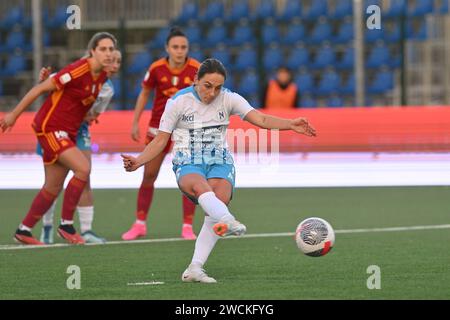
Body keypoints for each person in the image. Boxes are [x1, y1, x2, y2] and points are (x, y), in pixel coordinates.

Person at [121, 58, 316, 283]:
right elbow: (160, 140)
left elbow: (260, 118)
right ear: (195, 80)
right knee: (203, 190)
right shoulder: (178, 102)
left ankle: (195, 268)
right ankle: (228, 219)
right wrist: (139, 161)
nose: (212, 92)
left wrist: (291, 124)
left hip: (219, 161)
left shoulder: (229, 99)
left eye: (218, 87)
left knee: (217, 201)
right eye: (207, 86)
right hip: (188, 160)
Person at [0, 32, 116, 245]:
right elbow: (40, 89)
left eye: (111, 50)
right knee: (83, 168)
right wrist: (14, 115)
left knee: (52, 187)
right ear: (92, 51)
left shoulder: (102, 78)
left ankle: (23, 230)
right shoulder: (78, 69)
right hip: (50, 128)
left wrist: (90, 116)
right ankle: (66, 225)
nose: (108, 54)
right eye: (103, 49)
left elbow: (78, 106)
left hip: (67, 132)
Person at [122, 27, 200, 241]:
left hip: (185, 130)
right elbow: (145, 93)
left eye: (183, 47)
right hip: (158, 128)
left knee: (189, 177)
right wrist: (136, 121)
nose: (179, 51)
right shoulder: (156, 68)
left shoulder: (196, 69)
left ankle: (187, 227)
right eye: (175, 47)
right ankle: (139, 224)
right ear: (167, 48)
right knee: (149, 175)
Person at [37, 49, 122, 244]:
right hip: (54, 128)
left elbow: (93, 115)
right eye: (111, 59)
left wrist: (82, 115)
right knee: (52, 184)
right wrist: (43, 80)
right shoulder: (77, 73)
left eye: (118, 61)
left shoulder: (107, 88)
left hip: (79, 130)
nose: (114, 64)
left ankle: (86, 230)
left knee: (84, 176)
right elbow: (48, 86)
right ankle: (47, 227)